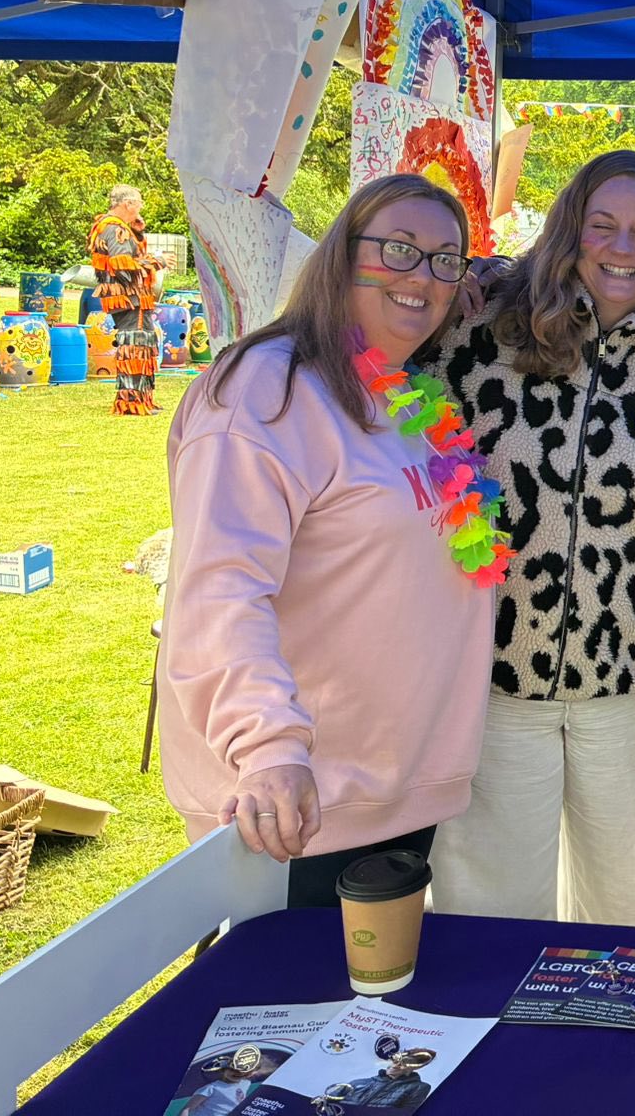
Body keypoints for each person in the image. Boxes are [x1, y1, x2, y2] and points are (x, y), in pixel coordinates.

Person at [426, 151, 635, 928]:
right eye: (602, 225)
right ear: (569, 232)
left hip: (634, 691)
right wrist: (466, 274)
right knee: (487, 911)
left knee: (633, 912)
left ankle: (618, 1050)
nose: (623, 247)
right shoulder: (480, 342)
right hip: (492, 684)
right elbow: (383, 365)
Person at [156, 175, 493, 906]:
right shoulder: (264, 390)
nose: (422, 277)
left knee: (371, 1009)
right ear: (341, 256)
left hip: (396, 792)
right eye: (399, 250)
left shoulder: (409, 396)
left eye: (445, 260)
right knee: (271, 1013)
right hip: (292, 804)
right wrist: (268, 749)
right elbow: (220, 589)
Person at [90, 183, 167, 415]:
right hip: (127, 298)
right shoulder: (113, 228)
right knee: (134, 345)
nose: (141, 207)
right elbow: (122, 266)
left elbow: (128, 258)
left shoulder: (120, 228)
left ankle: (143, 399)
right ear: (128, 204)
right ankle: (131, 402)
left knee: (143, 344)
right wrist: (157, 262)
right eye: (139, 203)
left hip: (132, 298)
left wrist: (139, 232)